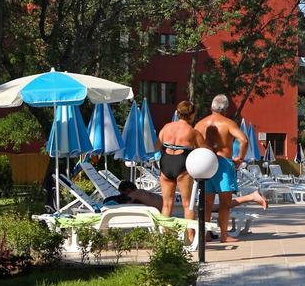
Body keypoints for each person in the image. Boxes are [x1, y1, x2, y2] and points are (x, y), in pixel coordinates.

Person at [195, 95, 247, 242]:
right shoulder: (228, 123)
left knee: (206, 203)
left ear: (211, 107)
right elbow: (243, 140)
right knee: (225, 202)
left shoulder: (199, 124)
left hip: (205, 164)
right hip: (223, 164)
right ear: (225, 109)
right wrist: (240, 158)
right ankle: (224, 235)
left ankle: (205, 235)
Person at [156, 101, 207, 225]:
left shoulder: (166, 127)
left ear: (178, 113)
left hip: (166, 163)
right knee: (187, 204)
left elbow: (156, 146)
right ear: (192, 114)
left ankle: (166, 235)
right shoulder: (193, 132)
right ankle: (190, 235)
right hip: (182, 163)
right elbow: (206, 151)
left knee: (166, 204)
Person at [107, 180, 268, 213]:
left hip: (179, 206)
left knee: (216, 208)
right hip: (178, 201)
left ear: (127, 191)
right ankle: (251, 197)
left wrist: (109, 200)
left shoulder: (135, 195)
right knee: (215, 207)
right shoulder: (141, 193)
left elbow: (114, 202)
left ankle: (251, 197)